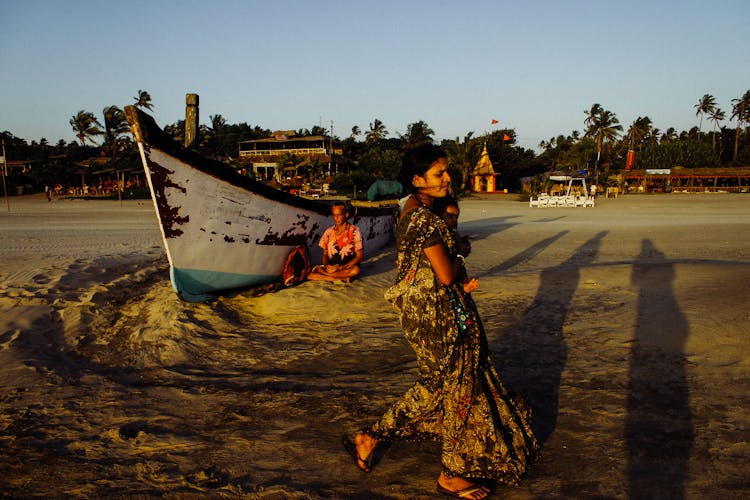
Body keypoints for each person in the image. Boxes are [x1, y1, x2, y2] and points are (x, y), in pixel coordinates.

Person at [343, 144, 538, 499]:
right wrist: (456, 252)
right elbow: (446, 276)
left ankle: (371, 436)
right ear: (417, 180)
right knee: (459, 390)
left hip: (423, 316)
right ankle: (451, 473)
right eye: (438, 174)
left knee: (435, 388)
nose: (447, 178)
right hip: (439, 318)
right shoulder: (425, 219)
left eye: (446, 171)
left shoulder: (412, 210)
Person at [307, 201, 363, 282]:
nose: (336, 218)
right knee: (308, 274)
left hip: (346, 267)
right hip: (332, 267)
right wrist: (327, 267)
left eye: (339, 215)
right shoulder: (328, 231)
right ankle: (336, 278)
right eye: (334, 215)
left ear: (346, 214)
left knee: (356, 270)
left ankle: (330, 276)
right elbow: (325, 255)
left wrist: (341, 268)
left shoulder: (355, 231)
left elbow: (359, 257)